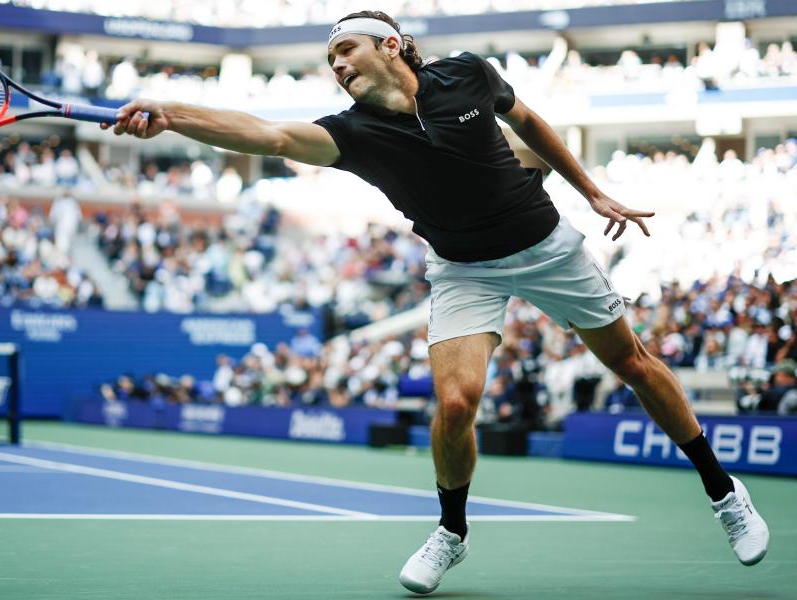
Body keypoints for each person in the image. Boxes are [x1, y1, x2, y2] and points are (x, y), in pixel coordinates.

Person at [101, 11, 770, 593]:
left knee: (633, 364)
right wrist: (174, 117)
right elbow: (268, 135)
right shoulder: (351, 133)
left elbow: (530, 120)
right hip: (461, 270)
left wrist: (591, 190)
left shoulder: (468, 76)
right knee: (454, 403)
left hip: (545, 245)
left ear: (391, 45)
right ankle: (452, 530)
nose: (337, 66)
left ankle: (721, 489)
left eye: (346, 51)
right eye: (331, 59)